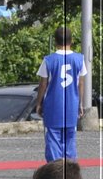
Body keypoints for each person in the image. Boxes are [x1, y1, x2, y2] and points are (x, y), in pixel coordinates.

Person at [36, 27, 88, 162]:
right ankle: (70, 167)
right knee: (70, 137)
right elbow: (80, 84)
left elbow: (43, 84)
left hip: (54, 105)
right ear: (72, 41)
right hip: (71, 104)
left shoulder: (48, 60)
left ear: (55, 41)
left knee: (53, 137)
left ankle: (55, 167)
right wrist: (80, 103)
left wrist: (39, 103)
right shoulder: (79, 59)